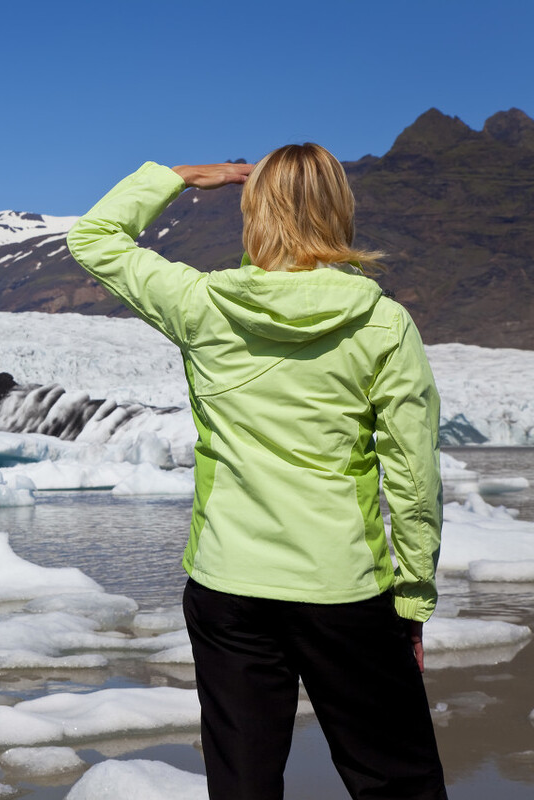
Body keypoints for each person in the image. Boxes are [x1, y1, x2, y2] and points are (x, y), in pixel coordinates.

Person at [67, 144, 447, 800]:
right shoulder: (383, 324)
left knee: (243, 785)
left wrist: (179, 177)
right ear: (340, 210)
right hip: (344, 589)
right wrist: (412, 601)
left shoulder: (202, 304)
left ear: (254, 212)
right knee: (397, 783)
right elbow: (412, 477)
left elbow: (93, 237)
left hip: (229, 589)